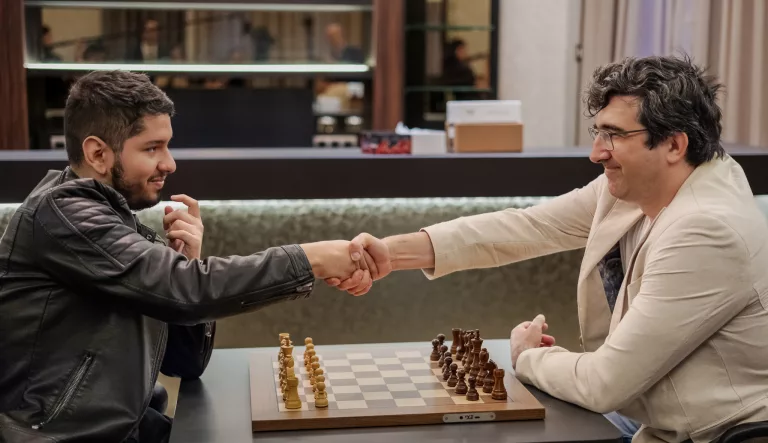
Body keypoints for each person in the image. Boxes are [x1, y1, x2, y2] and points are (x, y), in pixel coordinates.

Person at [327, 54, 768, 443]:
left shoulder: (705, 229)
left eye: (613, 135)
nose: (596, 152)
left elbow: (603, 383)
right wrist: (391, 252)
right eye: (597, 133)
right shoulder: (649, 181)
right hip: (648, 413)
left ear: (674, 144)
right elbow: (528, 227)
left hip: (712, 433)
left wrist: (528, 357)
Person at [0, 70, 373, 442]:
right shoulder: (64, 215)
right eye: (152, 148)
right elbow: (185, 292)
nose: (170, 163)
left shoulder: (110, 218)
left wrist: (187, 264)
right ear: (98, 153)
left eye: (167, 145)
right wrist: (311, 258)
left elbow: (185, 363)